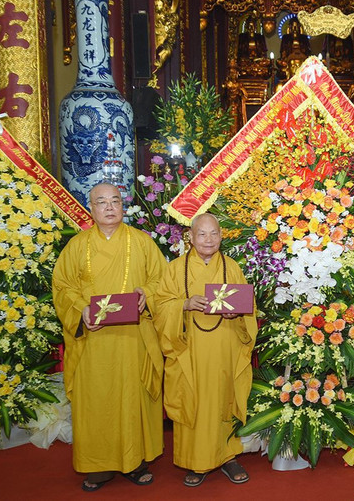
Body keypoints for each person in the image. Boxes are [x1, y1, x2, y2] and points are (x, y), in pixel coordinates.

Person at [52, 183, 166, 492]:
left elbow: (162, 280)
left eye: (115, 200)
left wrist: (147, 293)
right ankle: (98, 465)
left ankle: (136, 460)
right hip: (95, 340)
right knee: (96, 400)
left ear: (123, 205)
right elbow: (63, 287)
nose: (109, 206)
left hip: (134, 337)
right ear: (91, 208)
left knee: (133, 397)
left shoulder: (142, 243)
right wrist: (81, 311)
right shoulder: (77, 246)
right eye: (101, 202)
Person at [153, 213, 258, 487]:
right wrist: (184, 305)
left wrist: (238, 315)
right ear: (190, 237)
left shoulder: (232, 267)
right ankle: (195, 462)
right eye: (202, 234)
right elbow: (161, 306)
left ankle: (228, 457)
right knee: (193, 402)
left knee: (223, 400)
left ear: (221, 237)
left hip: (225, 349)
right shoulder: (175, 268)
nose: (208, 239)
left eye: (213, 234)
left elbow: (248, 306)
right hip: (189, 353)